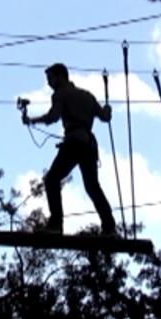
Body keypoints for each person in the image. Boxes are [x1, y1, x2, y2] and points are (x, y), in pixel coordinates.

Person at [22, 63, 118, 235]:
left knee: (52, 179)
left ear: (60, 76)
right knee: (92, 186)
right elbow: (104, 117)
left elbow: (53, 117)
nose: (49, 83)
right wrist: (107, 110)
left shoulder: (60, 94)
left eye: (50, 78)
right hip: (88, 144)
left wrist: (32, 120)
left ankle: (56, 224)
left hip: (74, 142)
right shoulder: (87, 96)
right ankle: (109, 226)